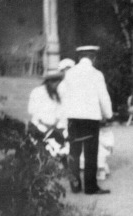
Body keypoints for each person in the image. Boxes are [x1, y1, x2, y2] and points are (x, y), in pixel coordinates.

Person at [58, 45, 113, 195]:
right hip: (90, 119)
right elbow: (103, 97)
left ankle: (75, 185)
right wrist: (108, 115)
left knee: (74, 152)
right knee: (90, 153)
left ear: (79, 57)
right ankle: (90, 187)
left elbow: (65, 97)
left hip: (73, 119)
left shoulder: (69, 74)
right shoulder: (96, 74)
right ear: (93, 58)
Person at [27, 69, 67, 157]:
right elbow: (31, 110)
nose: (56, 84)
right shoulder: (37, 92)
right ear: (48, 81)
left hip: (55, 129)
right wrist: (45, 124)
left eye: (58, 81)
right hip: (39, 127)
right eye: (54, 81)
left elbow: (61, 112)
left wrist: (55, 124)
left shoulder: (57, 94)